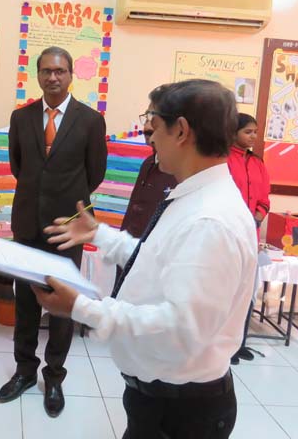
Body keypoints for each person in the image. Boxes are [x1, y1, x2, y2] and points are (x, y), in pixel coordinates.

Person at [35, 79, 257, 439]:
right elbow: (157, 262)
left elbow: (180, 328)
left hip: (181, 412)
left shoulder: (211, 220)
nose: (149, 136)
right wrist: (100, 235)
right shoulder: (194, 196)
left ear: (181, 130)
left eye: (153, 123)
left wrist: (83, 308)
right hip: (158, 399)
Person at [0, 46, 107, 417]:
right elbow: (19, 167)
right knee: (26, 301)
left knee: (63, 304)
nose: (53, 77)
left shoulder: (90, 120)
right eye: (46, 71)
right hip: (27, 222)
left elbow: (95, 172)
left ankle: (54, 376)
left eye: (59, 71)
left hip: (67, 228)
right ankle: (24, 371)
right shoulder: (21, 117)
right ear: (38, 75)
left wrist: (65, 200)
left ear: (71, 74)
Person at [226, 112, 271, 365]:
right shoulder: (222, 159)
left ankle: (239, 343)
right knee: (228, 292)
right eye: (248, 132)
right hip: (229, 234)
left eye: (255, 132)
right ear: (233, 133)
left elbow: (264, 198)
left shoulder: (257, 162)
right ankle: (223, 348)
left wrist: (258, 215)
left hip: (250, 235)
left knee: (246, 291)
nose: (254, 136)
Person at [120, 114, 177, 239]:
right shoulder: (148, 163)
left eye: (153, 119)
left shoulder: (179, 171)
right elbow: (133, 209)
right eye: (146, 119)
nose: (147, 126)